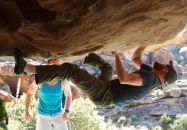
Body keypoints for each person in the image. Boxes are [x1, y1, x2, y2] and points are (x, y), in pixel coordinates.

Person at [14, 46, 177, 107]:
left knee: (70, 70)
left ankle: (26, 67)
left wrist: (118, 55)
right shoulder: (150, 73)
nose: (162, 63)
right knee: (107, 68)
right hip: (107, 89)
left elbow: (124, 79)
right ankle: (86, 56)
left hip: (104, 95)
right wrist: (145, 43)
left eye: (165, 65)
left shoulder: (150, 79)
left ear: (165, 71)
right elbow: (136, 59)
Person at [24, 58, 72, 130]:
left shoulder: (63, 81)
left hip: (58, 113)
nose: (54, 68)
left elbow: (69, 96)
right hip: (43, 115)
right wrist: (26, 111)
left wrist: (67, 111)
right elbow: (29, 94)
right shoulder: (40, 79)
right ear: (47, 67)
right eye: (52, 65)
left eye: (56, 66)